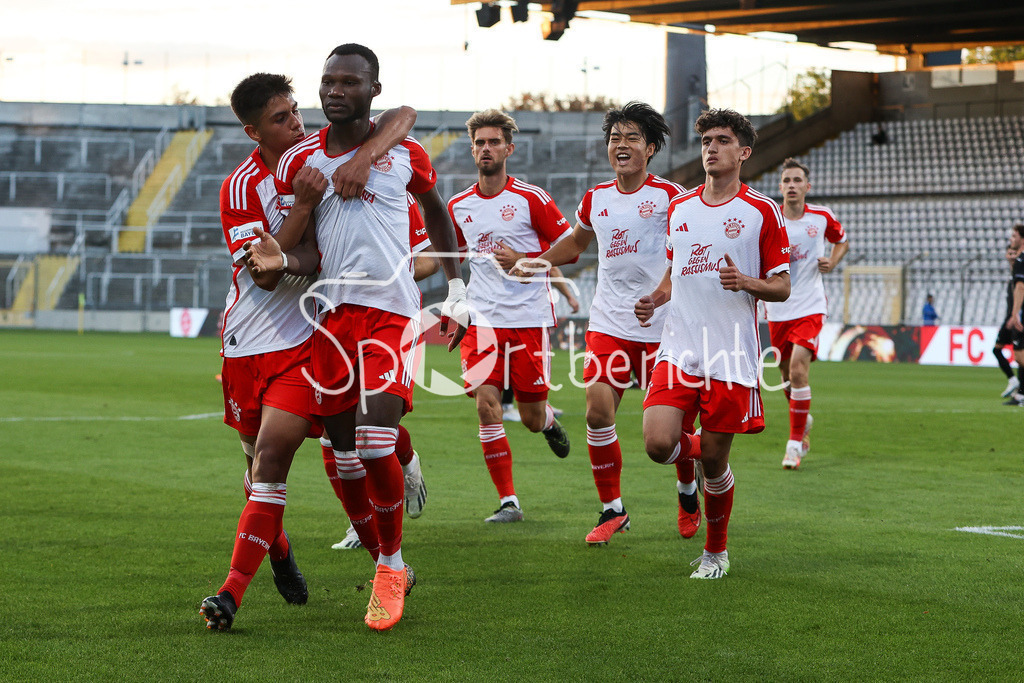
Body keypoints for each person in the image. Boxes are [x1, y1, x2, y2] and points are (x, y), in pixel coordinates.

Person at [252, 44, 467, 631]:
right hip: (331, 320)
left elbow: (437, 209)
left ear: (373, 90)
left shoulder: (404, 152)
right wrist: (278, 260)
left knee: (370, 442)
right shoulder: (300, 161)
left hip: (392, 313)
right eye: (328, 81)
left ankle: (391, 566)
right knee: (344, 449)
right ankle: (398, 486)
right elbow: (306, 250)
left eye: (350, 81)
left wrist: (458, 287)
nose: (335, 90)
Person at [200, 73, 418, 631]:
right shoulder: (241, 186)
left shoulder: (315, 154)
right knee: (258, 469)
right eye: (282, 118)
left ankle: (383, 565)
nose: (297, 123)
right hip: (250, 341)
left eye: (297, 112)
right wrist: (302, 204)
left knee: (344, 448)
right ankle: (277, 548)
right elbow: (266, 273)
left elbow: (400, 118)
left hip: (311, 335)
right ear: (253, 131)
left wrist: (365, 155)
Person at [508, 101, 699, 545]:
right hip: (610, 322)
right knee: (597, 411)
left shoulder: (670, 198)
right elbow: (575, 242)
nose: (622, 145)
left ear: (650, 148)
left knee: (676, 430)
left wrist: (660, 295)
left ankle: (687, 490)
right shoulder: (597, 198)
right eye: (615, 138)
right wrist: (537, 262)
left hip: (663, 327)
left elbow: (684, 256)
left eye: (632, 137)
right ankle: (613, 509)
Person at [634, 108, 790, 579]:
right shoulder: (680, 209)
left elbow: (782, 287)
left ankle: (715, 551)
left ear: (743, 152)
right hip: (680, 346)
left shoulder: (761, 210)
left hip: (731, 353)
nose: (711, 148)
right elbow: (673, 271)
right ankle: (689, 489)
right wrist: (656, 299)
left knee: (716, 462)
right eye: (706, 141)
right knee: (658, 442)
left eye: (722, 140)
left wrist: (746, 281)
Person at [447, 108, 573, 524]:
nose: (486, 148)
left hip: (529, 319)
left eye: (494, 142)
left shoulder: (530, 199)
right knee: (487, 407)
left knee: (532, 417)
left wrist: (526, 260)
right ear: (472, 150)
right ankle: (509, 502)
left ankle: (549, 418)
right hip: (482, 321)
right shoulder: (458, 205)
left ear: (509, 149)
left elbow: (568, 247)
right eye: (480, 142)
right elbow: (448, 258)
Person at [765, 158, 849, 469]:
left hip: (811, 305)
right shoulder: (770, 219)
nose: (791, 185)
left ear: (807, 187)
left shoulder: (822, 217)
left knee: (799, 370)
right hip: (777, 308)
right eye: (786, 180)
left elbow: (842, 241)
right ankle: (804, 421)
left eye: (797, 180)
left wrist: (833, 260)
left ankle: (794, 444)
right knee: (787, 377)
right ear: (780, 187)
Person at [500, 266, 576, 422]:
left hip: (508, 308)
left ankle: (512, 405)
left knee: (512, 357)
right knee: (534, 358)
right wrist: (569, 296)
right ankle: (533, 405)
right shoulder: (538, 247)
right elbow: (553, 268)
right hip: (529, 311)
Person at [999, 225, 1024, 405]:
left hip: (1021, 314)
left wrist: (1015, 314)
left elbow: (1020, 287)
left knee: (1020, 357)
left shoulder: (1022, 260)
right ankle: (1021, 393)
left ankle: (1019, 391)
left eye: (1014, 236)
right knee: (1018, 356)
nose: (1011, 239)